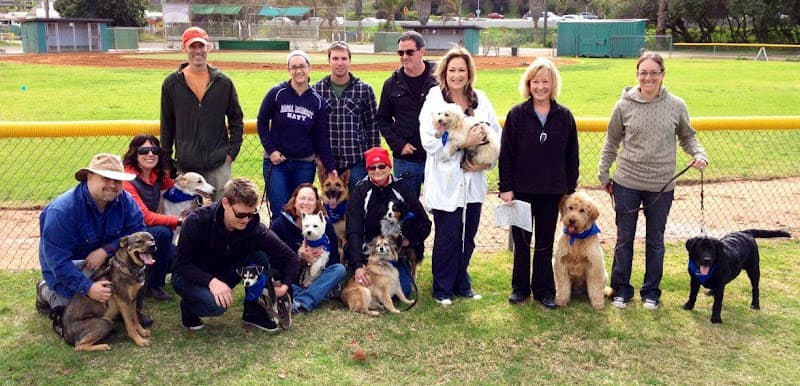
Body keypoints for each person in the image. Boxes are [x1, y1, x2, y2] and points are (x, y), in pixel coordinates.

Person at [598, 51, 708, 310]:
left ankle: (651, 291)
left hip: (661, 185)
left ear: (662, 75)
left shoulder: (676, 105)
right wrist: (604, 173)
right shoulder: (623, 105)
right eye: (643, 72)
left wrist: (699, 154)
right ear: (637, 75)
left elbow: (688, 137)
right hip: (627, 182)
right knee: (625, 238)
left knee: (655, 240)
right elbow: (611, 142)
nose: (648, 77)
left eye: (653, 72)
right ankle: (621, 289)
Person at [419, 46, 501, 306]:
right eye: (452, 70)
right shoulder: (435, 100)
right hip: (446, 180)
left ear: (469, 73)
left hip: (473, 179)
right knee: (448, 235)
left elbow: (495, 135)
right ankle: (442, 287)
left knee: (469, 234)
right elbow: (429, 143)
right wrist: (464, 142)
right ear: (445, 72)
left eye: (462, 70)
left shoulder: (481, 99)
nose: (457, 75)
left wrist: (484, 164)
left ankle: (461, 282)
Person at [498, 58, 579, 309]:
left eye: (546, 81)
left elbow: (572, 156)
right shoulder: (517, 114)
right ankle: (520, 288)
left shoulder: (564, 116)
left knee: (545, 243)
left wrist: (569, 191)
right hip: (521, 190)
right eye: (536, 81)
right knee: (522, 243)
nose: (540, 86)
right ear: (528, 83)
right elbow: (507, 155)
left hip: (552, 191)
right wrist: (506, 188)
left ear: (553, 83)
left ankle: (544, 289)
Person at [36, 153, 152, 326]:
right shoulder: (62, 211)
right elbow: (58, 263)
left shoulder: (125, 200)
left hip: (107, 263)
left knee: (140, 256)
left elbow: (138, 232)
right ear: (89, 177)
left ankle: (123, 308)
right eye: (106, 178)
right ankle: (45, 290)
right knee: (73, 312)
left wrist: (106, 250)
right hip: (72, 269)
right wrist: (88, 288)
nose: (113, 185)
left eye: (118, 181)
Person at [171, 178, 300, 332]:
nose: (245, 220)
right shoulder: (197, 220)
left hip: (225, 273)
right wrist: (211, 282)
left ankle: (253, 312)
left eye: (251, 214)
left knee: (260, 257)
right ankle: (188, 308)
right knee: (216, 306)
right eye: (240, 214)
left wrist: (284, 287)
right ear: (226, 203)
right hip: (189, 276)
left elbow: (291, 258)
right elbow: (182, 265)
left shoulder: (255, 228)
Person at [160, 26, 244, 202]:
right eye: (192, 47)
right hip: (187, 166)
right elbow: (167, 125)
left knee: (223, 212)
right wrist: (166, 162)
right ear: (184, 49)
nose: (197, 51)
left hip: (219, 162)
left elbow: (236, 119)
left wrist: (231, 153)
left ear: (209, 48)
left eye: (201, 46)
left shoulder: (223, 82)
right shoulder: (172, 83)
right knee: (188, 216)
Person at [258, 50, 336, 219]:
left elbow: (321, 137)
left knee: (302, 212)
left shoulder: (317, 101)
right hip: (277, 163)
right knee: (280, 212)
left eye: (302, 66)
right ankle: (279, 246)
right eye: (294, 67)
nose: (298, 71)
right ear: (288, 70)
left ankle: (301, 246)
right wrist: (271, 150)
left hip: (304, 165)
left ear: (309, 68)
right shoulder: (277, 93)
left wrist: (330, 167)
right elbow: (262, 122)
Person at [346, 147, 431, 297]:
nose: (377, 170)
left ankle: (404, 270)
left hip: (396, 251)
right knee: (372, 288)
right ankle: (363, 271)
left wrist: (408, 240)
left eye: (381, 166)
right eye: (372, 167)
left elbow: (424, 222)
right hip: (371, 251)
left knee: (402, 291)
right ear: (367, 169)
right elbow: (354, 230)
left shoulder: (402, 187)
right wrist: (358, 265)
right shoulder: (361, 190)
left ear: (389, 166)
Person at [376, 31, 438, 197]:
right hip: (406, 159)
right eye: (400, 52)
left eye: (409, 52)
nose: (404, 56)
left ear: (422, 52)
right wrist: (398, 144)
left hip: (437, 157)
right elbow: (382, 119)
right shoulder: (391, 84)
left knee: (442, 210)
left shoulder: (439, 79)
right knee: (406, 211)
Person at [312, 41, 380, 191]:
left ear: (350, 60)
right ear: (329, 61)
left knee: (359, 205)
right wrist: (318, 157)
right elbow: (313, 128)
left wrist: (374, 159)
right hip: (327, 162)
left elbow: (372, 127)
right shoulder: (317, 90)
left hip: (356, 160)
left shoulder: (364, 89)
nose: (339, 63)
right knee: (332, 207)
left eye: (343, 58)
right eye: (335, 58)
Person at [269, 184, 347, 313]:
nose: (306, 202)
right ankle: (316, 294)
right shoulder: (280, 225)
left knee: (339, 269)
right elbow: (273, 259)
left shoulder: (324, 224)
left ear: (316, 203)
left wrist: (319, 259)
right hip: (290, 277)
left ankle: (299, 301)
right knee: (278, 282)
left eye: (310, 199)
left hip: (317, 275)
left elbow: (334, 257)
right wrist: (298, 256)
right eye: (302, 198)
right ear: (294, 201)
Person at [121, 134, 180, 301]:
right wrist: (179, 221)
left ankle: (150, 277)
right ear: (134, 154)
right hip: (130, 233)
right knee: (163, 233)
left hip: (147, 231)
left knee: (178, 256)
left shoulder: (157, 175)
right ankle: (153, 286)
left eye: (154, 150)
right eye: (144, 151)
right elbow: (144, 217)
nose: (150, 154)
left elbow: (177, 190)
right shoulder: (127, 180)